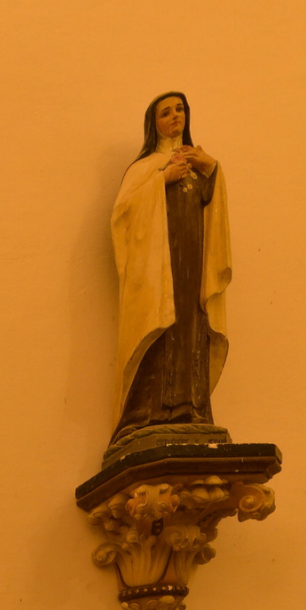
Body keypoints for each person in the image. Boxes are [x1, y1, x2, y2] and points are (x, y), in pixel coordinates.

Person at [110, 91, 231, 445]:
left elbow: (212, 207)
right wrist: (162, 179)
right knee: (161, 325)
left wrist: (212, 169)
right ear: (154, 124)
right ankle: (145, 415)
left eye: (180, 110)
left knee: (192, 327)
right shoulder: (144, 168)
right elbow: (122, 214)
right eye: (166, 112)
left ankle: (191, 408)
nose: (175, 116)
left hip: (192, 264)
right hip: (159, 269)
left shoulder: (198, 163)